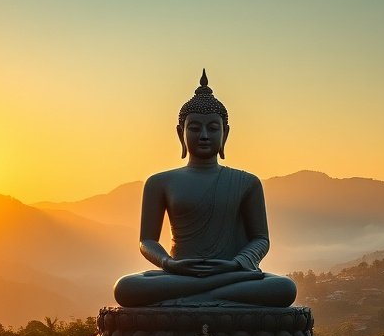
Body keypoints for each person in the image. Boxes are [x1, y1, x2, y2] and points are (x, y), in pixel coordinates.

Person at [113, 71, 296, 308]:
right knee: (126, 287)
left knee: (284, 287)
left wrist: (236, 264)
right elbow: (147, 240)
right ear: (181, 133)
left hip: (231, 273)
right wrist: (169, 264)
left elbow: (260, 239)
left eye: (213, 128)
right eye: (195, 128)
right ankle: (214, 297)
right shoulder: (159, 182)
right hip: (181, 275)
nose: (204, 136)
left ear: (225, 133)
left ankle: (192, 298)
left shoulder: (247, 182)